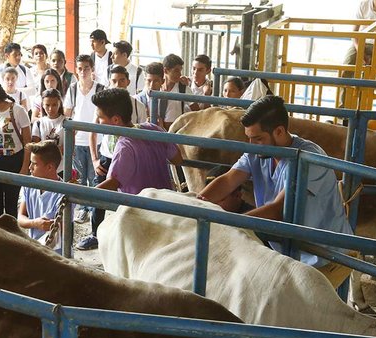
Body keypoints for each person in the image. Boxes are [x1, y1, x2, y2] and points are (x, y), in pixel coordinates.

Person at [198, 95, 354, 288]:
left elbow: (278, 210)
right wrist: (196, 204)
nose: (252, 144)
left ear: (279, 131)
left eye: (258, 139)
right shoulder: (259, 151)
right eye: (249, 138)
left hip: (325, 254)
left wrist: (230, 226)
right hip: (288, 250)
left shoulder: (308, 159)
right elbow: (229, 179)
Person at [91, 88, 183, 195]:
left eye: (100, 118)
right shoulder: (154, 129)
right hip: (164, 203)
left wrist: (83, 194)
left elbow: (113, 183)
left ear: (116, 120)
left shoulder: (124, 146)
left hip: (139, 208)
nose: (98, 123)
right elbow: (177, 159)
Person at [0, 81, 32, 218]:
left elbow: (27, 142)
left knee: (11, 202)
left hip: (13, 160)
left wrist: (25, 167)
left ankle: (11, 235)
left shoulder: (18, 110)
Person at [63, 54, 105, 224]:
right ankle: (82, 209)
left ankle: (93, 208)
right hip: (78, 140)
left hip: (97, 141)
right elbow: (67, 114)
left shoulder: (101, 89)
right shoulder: (72, 89)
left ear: (92, 69)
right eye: (79, 68)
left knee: (94, 177)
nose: (83, 71)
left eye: (86, 68)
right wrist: (70, 141)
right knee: (80, 178)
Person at [17, 140, 65, 254]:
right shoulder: (29, 185)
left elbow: (64, 230)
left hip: (56, 254)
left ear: (49, 167)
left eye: (34, 164)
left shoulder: (63, 194)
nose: (29, 167)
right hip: (34, 248)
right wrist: (35, 223)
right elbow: (20, 218)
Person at [155, 54, 199, 130]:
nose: (179, 74)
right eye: (176, 70)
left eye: (180, 70)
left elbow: (197, 111)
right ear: (165, 70)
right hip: (158, 129)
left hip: (178, 130)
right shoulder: (157, 87)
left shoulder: (184, 89)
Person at [31, 89, 66, 168]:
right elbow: (37, 148)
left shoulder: (67, 122)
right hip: (43, 167)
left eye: (54, 105)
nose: (50, 109)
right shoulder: (38, 123)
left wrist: (46, 151)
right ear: (42, 105)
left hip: (62, 167)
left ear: (59, 104)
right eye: (47, 105)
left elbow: (68, 148)